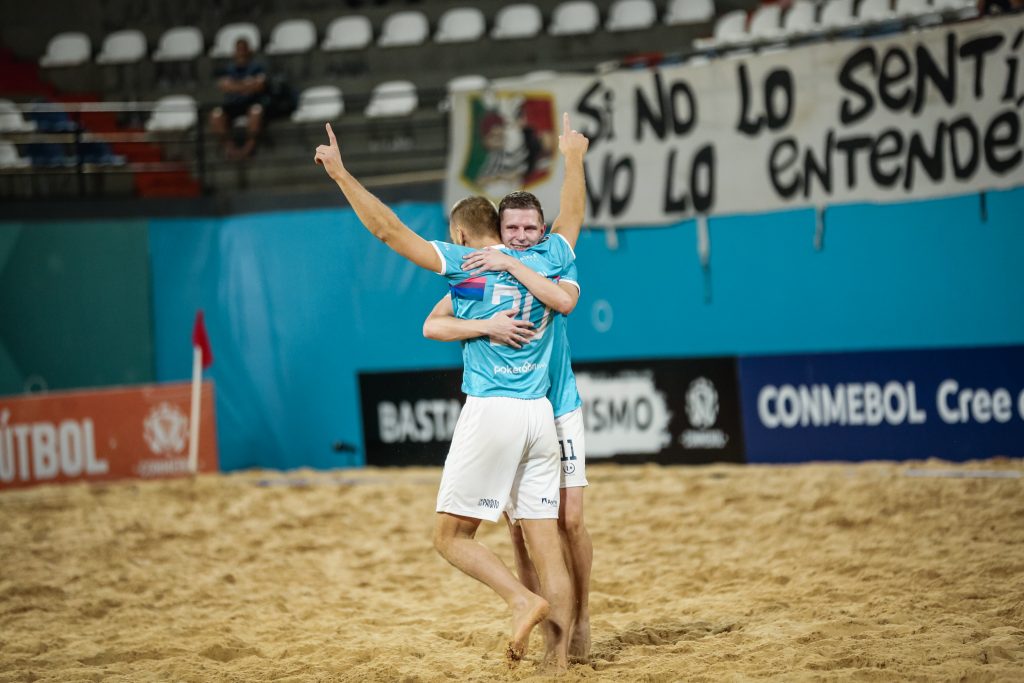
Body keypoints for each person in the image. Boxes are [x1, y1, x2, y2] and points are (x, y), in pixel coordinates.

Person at [313, 122, 580, 669]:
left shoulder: (465, 266)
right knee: (545, 541)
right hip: (540, 414)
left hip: (494, 411)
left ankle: (519, 599)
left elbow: (388, 231)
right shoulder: (546, 258)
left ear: (459, 236)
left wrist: (341, 174)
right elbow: (573, 216)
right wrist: (574, 159)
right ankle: (559, 664)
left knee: (450, 537)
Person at [422, 114, 594, 663]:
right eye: (512, 229)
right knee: (526, 531)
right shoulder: (484, 268)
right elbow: (435, 321)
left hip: (554, 402)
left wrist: (573, 159)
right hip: (534, 406)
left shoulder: (547, 258)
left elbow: (568, 260)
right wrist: (483, 317)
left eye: (529, 229)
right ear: (500, 229)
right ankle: (554, 641)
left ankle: (579, 618)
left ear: (540, 231)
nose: (521, 237)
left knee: (569, 522)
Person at [209, 38, 268, 160]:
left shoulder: (257, 68)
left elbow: (259, 86)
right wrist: (247, 85)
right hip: (232, 104)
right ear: (234, 52)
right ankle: (230, 149)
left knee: (257, 111)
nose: (241, 52)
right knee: (215, 115)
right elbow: (223, 86)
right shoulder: (228, 69)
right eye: (239, 50)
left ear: (249, 51)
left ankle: (248, 149)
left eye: (244, 49)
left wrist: (235, 86)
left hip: (250, 103)